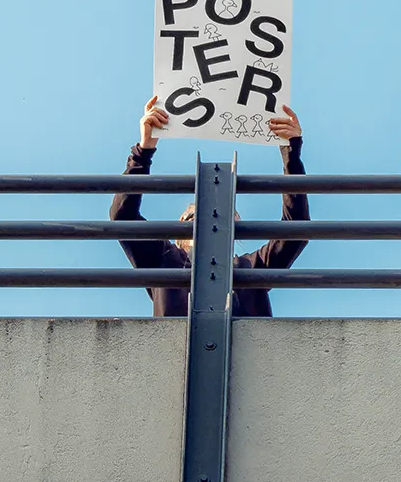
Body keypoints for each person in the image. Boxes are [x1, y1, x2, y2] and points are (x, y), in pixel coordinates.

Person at [109, 96, 310, 317]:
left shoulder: (250, 267)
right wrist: (144, 149)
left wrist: (290, 153)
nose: (211, 220)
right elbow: (122, 217)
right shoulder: (163, 258)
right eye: (195, 216)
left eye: (224, 216)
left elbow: (295, 230)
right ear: (181, 227)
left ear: (236, 228)